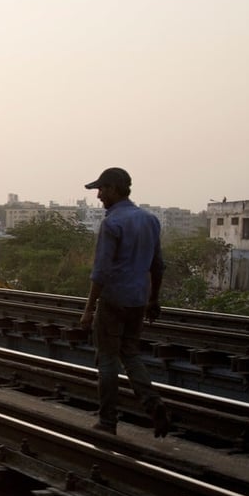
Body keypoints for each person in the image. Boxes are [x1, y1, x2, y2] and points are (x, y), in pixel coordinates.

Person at [79, 167, 171, 438]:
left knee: (107, 359)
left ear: (115, 189)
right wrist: (154, 299)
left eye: (102, 189)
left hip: (114, 300)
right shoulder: (150, 220)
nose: (98, 196)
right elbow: (158, 266)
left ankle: (107, 421)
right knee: (130, 354)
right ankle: (153, 404)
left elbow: (101, 272)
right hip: (138, 300)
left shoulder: (112, 224)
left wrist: (88, 309)